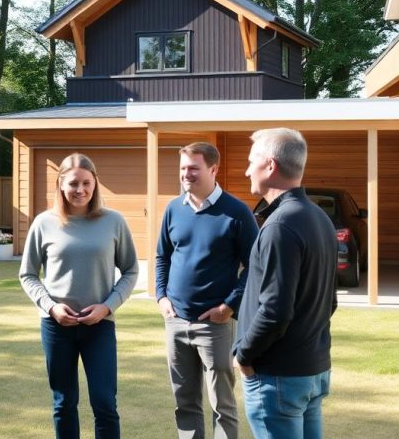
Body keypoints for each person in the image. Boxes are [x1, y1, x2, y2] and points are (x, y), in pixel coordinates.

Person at [20, 153, 139, 439]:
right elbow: (28, 275)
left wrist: (107, 307)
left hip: (99, 326)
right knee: (63, 403)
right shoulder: (43, 223)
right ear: (60, 184)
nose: (80, 190)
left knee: (104, 402)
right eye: (73, 183)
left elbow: (131, 270)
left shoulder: (113, 222)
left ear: (95, 183)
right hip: (56, 327)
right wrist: (51, 308)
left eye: (87, 183)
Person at [234, 128, 338, 439]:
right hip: (310, 370)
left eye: (252, 161)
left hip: (278, 377)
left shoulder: (280, 225)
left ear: (270, 166)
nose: (247, 169)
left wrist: (243, 356)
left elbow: (275, 310)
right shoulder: (319, 218)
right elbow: (329, 302)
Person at [155, 142, 259, 439]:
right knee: (184, 402)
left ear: (214, 169)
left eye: (193, 168)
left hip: (216, 325)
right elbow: (162, 256)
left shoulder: (237, 212)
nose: (186, 174)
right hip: (175, 321)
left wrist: (228, 307)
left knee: (221, 405)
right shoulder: (174, 209)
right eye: (183, 168)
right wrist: (161, 295)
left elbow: (255, 266)